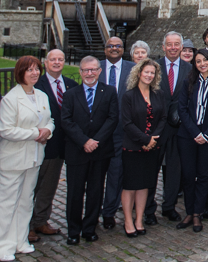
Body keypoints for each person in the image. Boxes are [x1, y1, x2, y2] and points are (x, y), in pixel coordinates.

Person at [0, 56, 53, 262]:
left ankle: (20, 240)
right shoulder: (10, 98)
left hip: (33, 158)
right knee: (6, 203)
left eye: (37, 69)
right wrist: (36, 133)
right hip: (12, 159)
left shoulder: (42, 96)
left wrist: (47, 132)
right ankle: (0, 246)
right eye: (29, 70)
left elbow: (50, 120)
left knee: (25, 201)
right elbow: (6, 130)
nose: (34, 73)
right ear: (20, 73)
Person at [61, 55, 119, 244]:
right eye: (86, 70)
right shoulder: (70, 94)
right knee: (75, 193)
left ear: (99, 71)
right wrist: (84, 141)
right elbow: (66, 121)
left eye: (93, 69)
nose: (89, 73)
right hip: (77, 150)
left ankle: (89, 228)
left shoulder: (109, 92)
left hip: (100, 151)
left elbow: (112, 119)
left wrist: (96, 141)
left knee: (95, 192)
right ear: (80, 72)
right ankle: (73, 231)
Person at [30, 48, 77, 242]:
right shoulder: (36, 85)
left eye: (60, 59)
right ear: (45, 62)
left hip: (61, 145)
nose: (57, 62)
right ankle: (26, 225)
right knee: (32, 186)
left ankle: (41, 220)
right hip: (40, 143)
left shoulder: (71, 85)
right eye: (53, 59)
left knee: (49, 187)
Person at [177, 48, 208, 232]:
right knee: (188, 175)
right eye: (198, 61)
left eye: (205, 60)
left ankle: (198, 213)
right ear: (194, 64)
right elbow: (182, 109)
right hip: (188, 136)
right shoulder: (188, 82)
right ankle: (189, 211)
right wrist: (195, 132)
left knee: (205, 176)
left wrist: (206, 134)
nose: (202, 64)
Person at [120, 59, 166, 237]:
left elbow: (163, 117)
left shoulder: (158, 94)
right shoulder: (129, 96)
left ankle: (139, 219)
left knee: (145, 185)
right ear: (139, 73)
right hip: (133, 147)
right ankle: (128, 220)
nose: (149, 75)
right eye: (146, 72)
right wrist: (145, 139)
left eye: (152, 73)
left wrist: (153, 139)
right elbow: (127, 123)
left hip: (152, 147)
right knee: (130, 185)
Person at [146, 31, 187, 225]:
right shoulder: (153, 68)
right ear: (163, 47)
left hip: (178, 128)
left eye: (176, 44)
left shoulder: (189, 69)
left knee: (174, 170)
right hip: (156, 127)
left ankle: (169, 206)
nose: (173, 48)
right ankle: (148, 209)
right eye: (169, 44)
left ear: (181, 47)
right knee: (151, 170)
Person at [99, 36, 134, 230]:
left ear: (123, 49)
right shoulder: (96, 67)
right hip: (97, 131)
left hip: (121, 130)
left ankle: (109, 212)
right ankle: (92, 211)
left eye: (118, 46)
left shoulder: (131, 69)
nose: (114, 49)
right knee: (96, 176)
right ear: (105, 49)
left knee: (116, 173)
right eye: (110, 46)